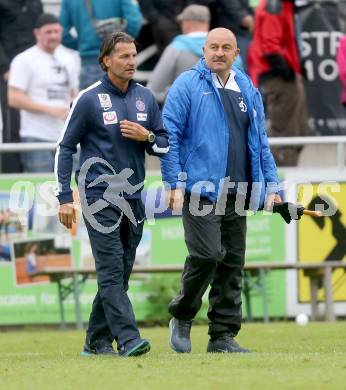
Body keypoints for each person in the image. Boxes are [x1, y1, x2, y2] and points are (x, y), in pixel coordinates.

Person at [161, 27, 282, 353]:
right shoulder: (187, 84)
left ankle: (222, 336)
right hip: (199, 188)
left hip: (239, 190)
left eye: (226, 47)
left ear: (236, 53)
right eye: (213, 47)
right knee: (208, 254)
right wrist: (172, 183)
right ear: (204, 49)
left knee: (232, 264)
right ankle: (183, 313)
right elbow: (168, 135)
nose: (219, 52)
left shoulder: (246, 87)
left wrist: (273, 187)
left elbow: (261, 144)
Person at [55, 32, 169, 356]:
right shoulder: (89, 99)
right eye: (124, 56)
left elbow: (165, 144)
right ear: (106, 60)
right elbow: (64, 148)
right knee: (110, 269)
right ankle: (130, 339)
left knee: (121, 273)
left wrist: (147, 136)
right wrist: (65, 196)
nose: (132, 61)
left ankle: (96, 340)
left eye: (134, 56)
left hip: (133, 198)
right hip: (98, 196)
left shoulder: (146, 97)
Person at [7, 13, 78, 173]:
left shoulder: (70, 58)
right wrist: (50, 110)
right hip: (35, 136)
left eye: (56, 31)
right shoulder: (24, 59)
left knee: (74, 191)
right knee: (41, 191)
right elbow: (13, 98)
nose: (53, 36)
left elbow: (73, 92)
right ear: (36, 33)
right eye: (48, 32)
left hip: (67, 137)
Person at [248, 0, 310, 166]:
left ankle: (284, 182)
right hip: (278, 78)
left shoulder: (284, 5)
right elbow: (270, 47)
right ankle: (281, 185)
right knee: (285, 135)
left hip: (285, 76)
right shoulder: (275, 6)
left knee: (298, 132)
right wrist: (286, 70)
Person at [60, 0, 142, 90]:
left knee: (88, 102)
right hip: (119, 61)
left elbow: (62, 33)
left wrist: (82, 45)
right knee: (122, 102)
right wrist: (120, 45)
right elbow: (134, 24)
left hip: (88, 62)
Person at [0, 0, 43, 173]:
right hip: (9, 70)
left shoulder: (36, 3)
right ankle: (12, 174)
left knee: (38, 121)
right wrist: (4, 67)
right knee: (12, 125)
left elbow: (41, 32)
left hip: (36, 70)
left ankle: (36, 169)